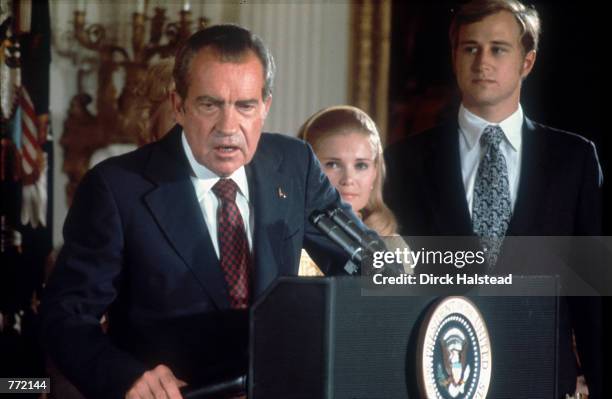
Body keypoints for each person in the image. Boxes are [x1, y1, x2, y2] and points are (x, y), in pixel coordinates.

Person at [41, 24, 360, 399]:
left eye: (245, 106)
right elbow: (65, 316)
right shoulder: (115, 188)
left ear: (265, 107)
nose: (228, 127)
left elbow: (360, 259)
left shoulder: (295, 165)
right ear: (179, 106)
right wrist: (125, 377)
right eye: (210, 105)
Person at [384, 0, 602, 396]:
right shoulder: (404, 162)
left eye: (498, 49)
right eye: (470, 48)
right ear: (454, 57)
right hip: (437, 378)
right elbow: (394, 284)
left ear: (527, 61)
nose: (482, 61)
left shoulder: (574, 160)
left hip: (541, 377)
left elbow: (592, 295)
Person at [299, 105, 410, 276]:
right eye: (333, 164)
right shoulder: (288, 239)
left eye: (361, 165)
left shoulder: (392, 246)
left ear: (375, 173)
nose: (348, 179)